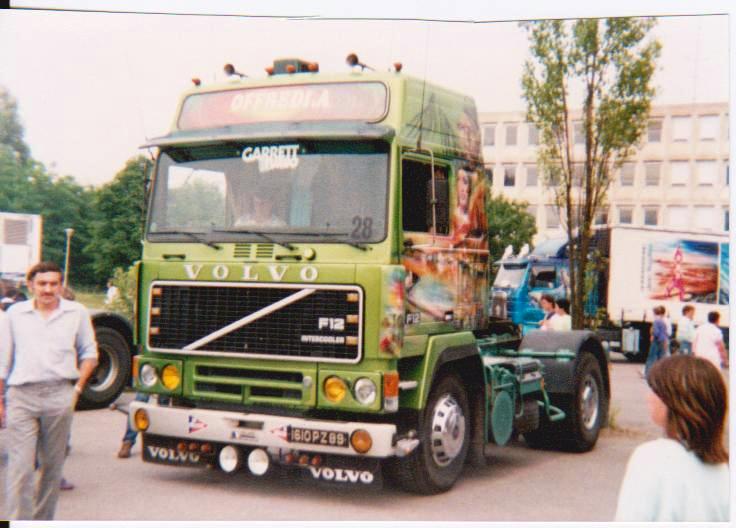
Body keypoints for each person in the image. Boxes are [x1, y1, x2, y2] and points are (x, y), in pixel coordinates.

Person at [0, 261, 98, 520]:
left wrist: (76, 390)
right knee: (19, 470)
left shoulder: (76, 313)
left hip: (59, 395)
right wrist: (1, 400)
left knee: (52, 468)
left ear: (60, 285)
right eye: (42, 284)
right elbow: (3, 360)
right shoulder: (15, 314)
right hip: (21, 396)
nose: (47, 289)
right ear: (31, 285)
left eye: (53, 283)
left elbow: (90, 353)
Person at [614, 355, 729, 521]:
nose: (649, 397)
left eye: (654, 390)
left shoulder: (650, 458)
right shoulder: (723, 469)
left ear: (673, 401)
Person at [645, 305, 668, 377]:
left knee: (651, 357)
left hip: (657, 340)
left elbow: (656, 332)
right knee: (660, 358)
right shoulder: (663, 321)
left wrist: (652, 335)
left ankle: (648, 373)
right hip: (663, 340)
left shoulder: (656, 321)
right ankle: (659, 374)